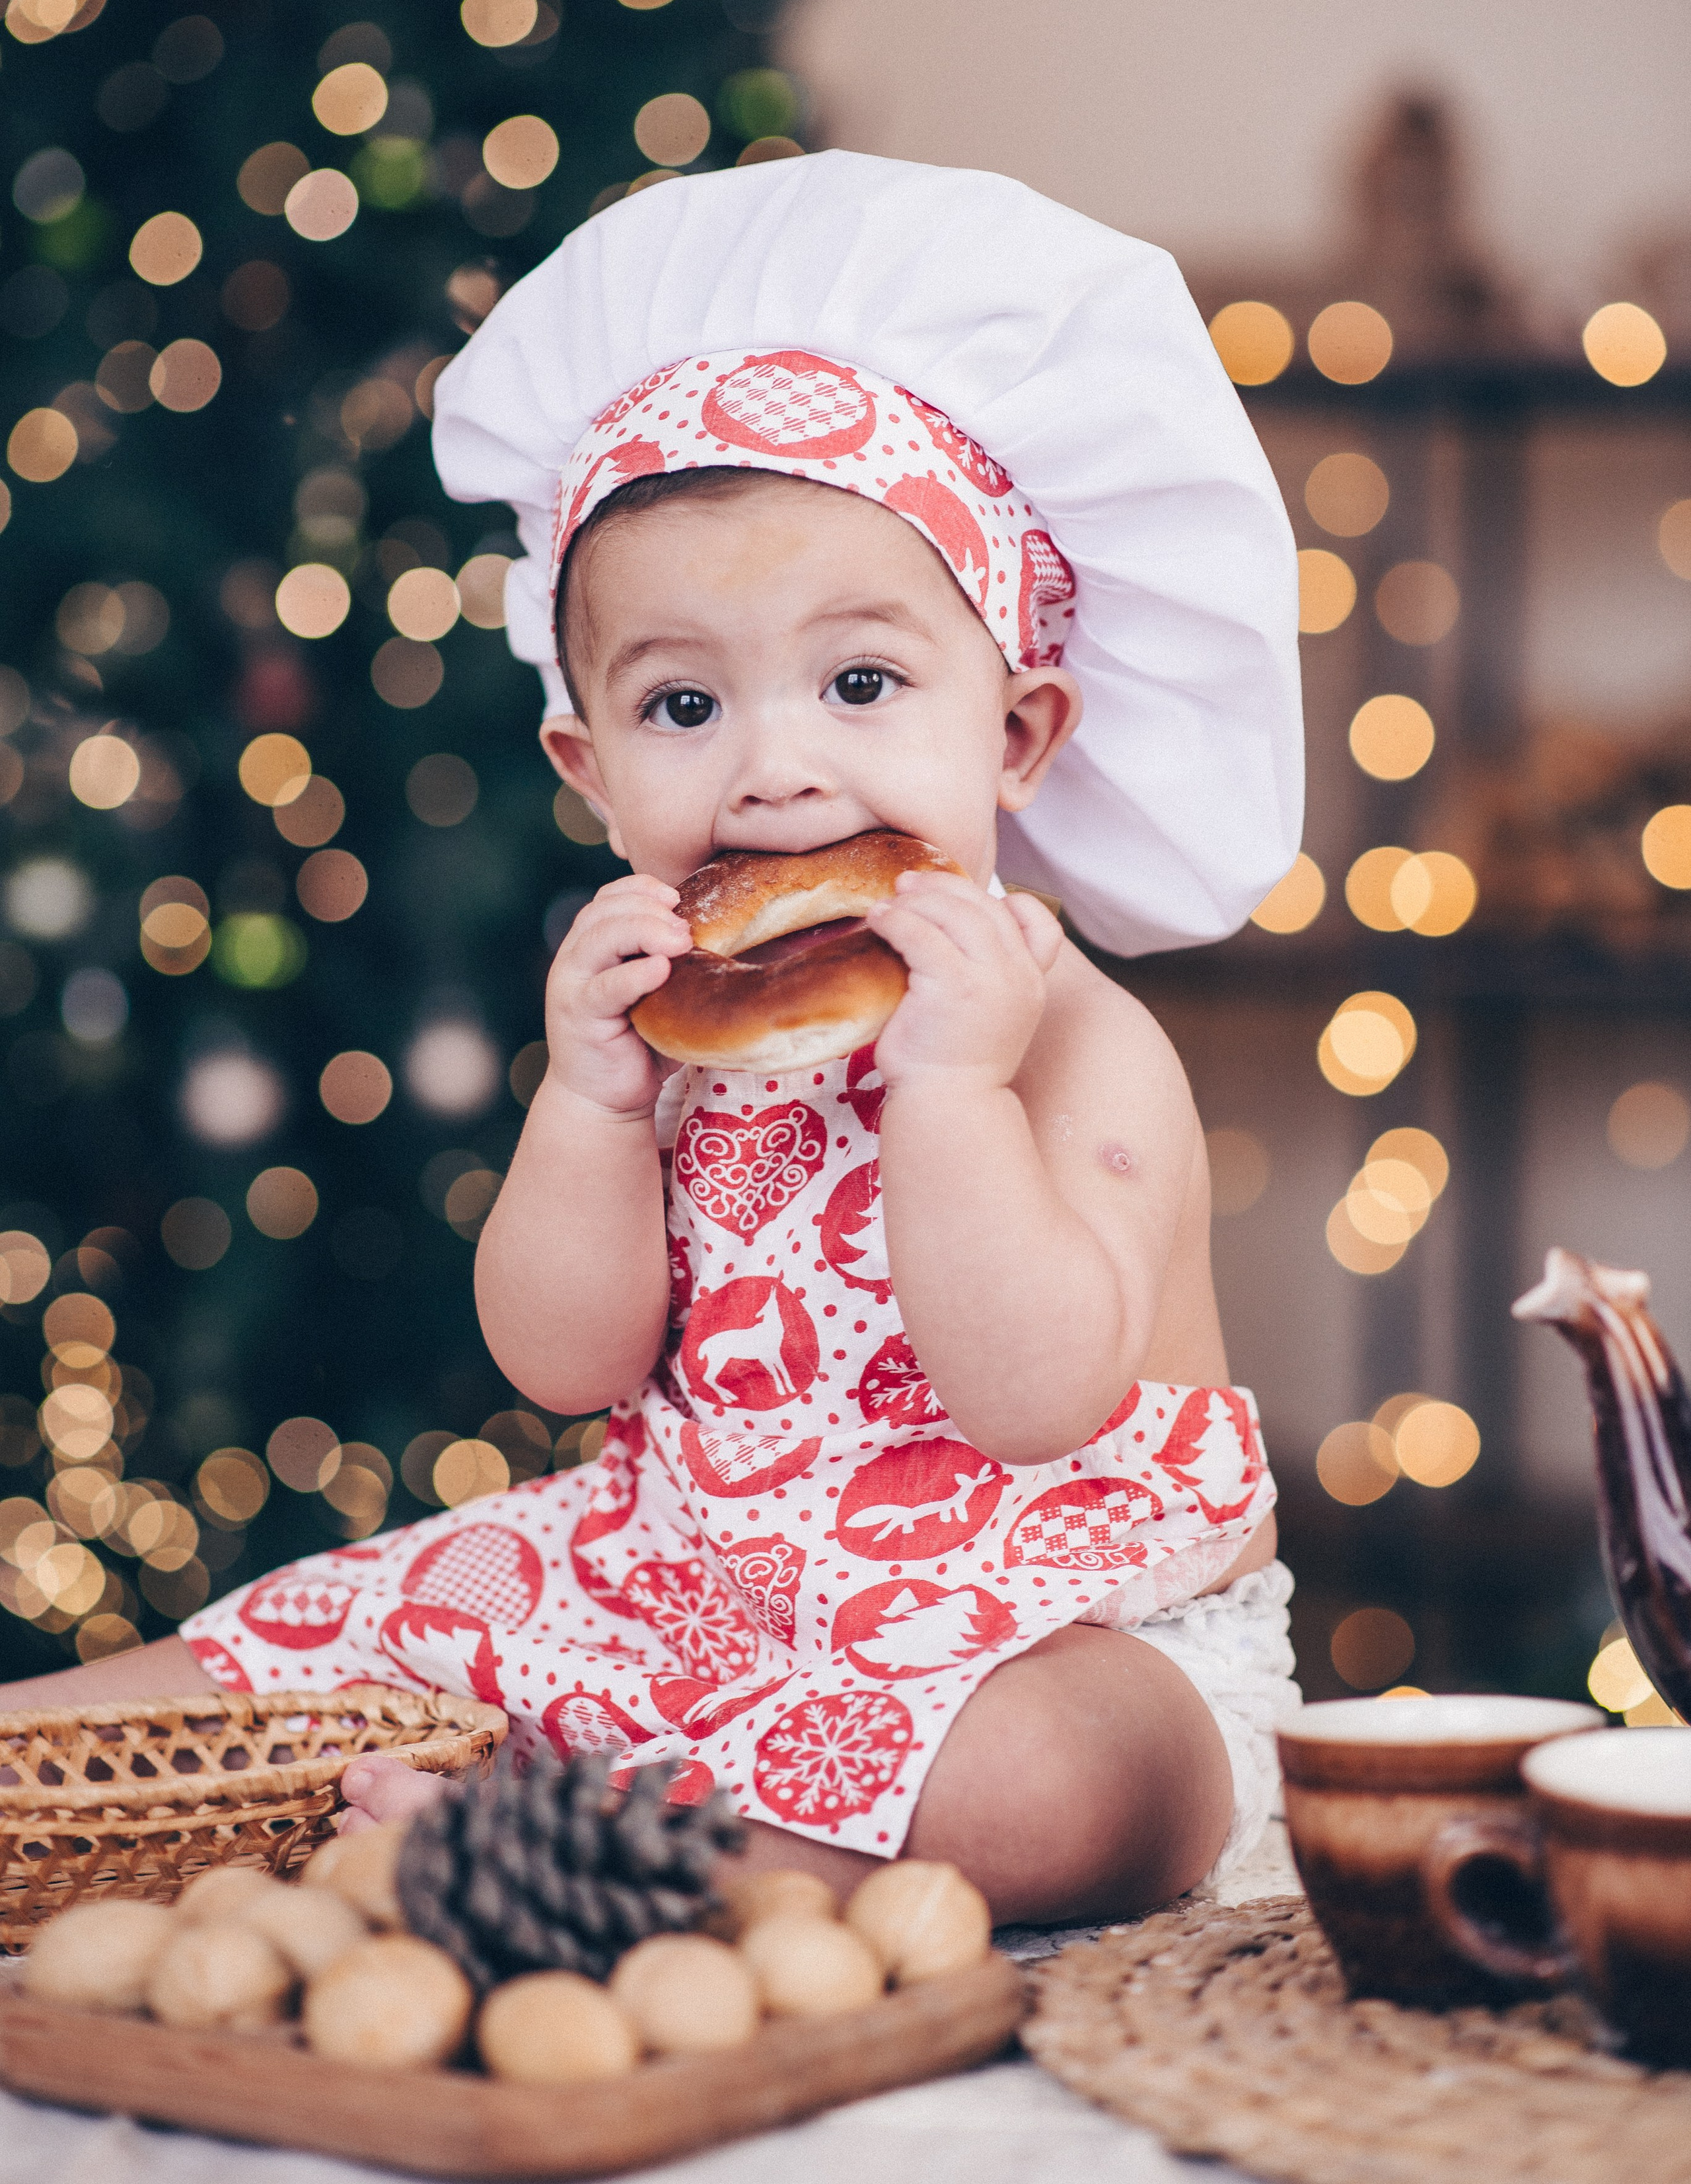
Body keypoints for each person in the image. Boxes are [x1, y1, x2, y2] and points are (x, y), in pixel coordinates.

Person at [1, 153, 1305, 1926]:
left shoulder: (1073, 1037)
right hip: (700, 1583)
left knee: (1064, 1775)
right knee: (350, 1610)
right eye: (685, 703)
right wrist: (595, 1108)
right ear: (588, 767)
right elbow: (565, 1358)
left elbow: (1030, 1396)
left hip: (1046, 1627)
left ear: (1016, 730)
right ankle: (53, 1760)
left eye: (861, 682)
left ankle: (592, 1866)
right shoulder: (671, 1031)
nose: (774, 763)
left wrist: (946, 1092)